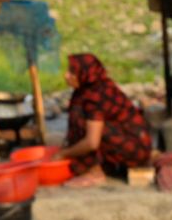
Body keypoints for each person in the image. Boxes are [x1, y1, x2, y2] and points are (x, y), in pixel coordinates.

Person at [56, 53, 152, 187]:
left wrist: (64, 153)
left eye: (72, 72)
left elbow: (92, 143)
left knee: (85, 123)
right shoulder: (87, 88)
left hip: (135, 147)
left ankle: (95, 172)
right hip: (124, 137)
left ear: (85, 73)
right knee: (85, 119)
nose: (66, 76)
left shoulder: (96, 96)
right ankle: (105, 165)